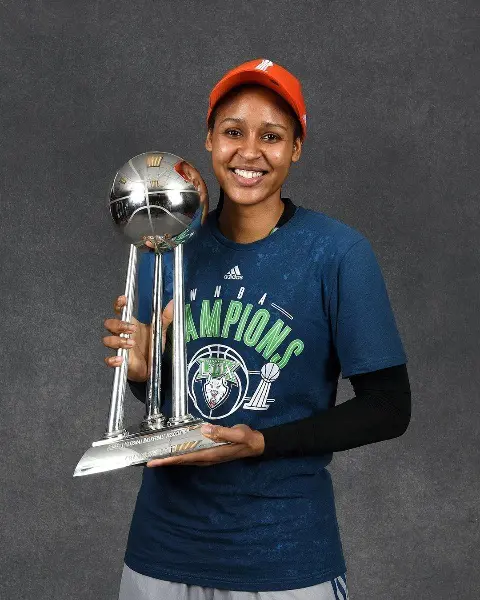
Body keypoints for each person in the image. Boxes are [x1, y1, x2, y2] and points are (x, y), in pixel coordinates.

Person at [103, 58, 411, 600]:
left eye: (271, 135)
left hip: (285, 559)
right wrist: (147, 371)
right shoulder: (168, 244)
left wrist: (261, 442)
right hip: (161, 552)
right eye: (232, 132)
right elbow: (165, 404)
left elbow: (389, 407)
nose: (249, 152)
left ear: (295, 147)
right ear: (209, 140)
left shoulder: (337, 253)